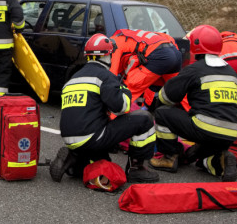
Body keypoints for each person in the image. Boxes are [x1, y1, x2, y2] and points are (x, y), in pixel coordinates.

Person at [50, 33, 158, 184]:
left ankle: (75, 161)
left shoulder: (73, 79)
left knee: (103, 164)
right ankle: (136, 169)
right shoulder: (104, 77)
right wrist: (124, 86)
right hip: (93, 137)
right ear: (108, 56)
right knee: (144, 119)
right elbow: (121, 108)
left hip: (70, 137)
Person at [150, 24, 237, 181]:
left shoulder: (194, 69)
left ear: (196, 47)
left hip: (204, 129)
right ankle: (220, 159)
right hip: (229, 134)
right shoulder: (232, 73)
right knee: (199, 160)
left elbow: (166, 98)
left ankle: (169, 158)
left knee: (162, 113)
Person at [107, 28, 184, 107]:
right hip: (174, 52)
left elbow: (110, 78)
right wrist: (145, 107)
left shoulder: (113, 45)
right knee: (179, 92)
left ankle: (110, 117)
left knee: (127, 90)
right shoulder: (132, 36)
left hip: (160, 55)